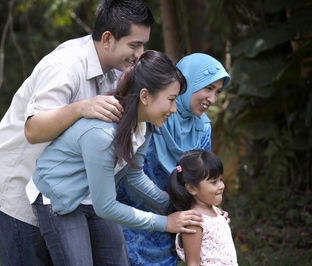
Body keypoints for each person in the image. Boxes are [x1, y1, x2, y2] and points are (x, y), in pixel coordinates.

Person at [0, 0, 155, 265]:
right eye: (135, 45)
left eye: (143, 44)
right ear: (107, 39)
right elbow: (33, 129)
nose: (140, 53)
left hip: (67, 193)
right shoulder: (66, 65)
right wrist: (81, 108)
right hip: (16, 190)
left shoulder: (117, 71)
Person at [28, 50, 203, 266]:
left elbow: (134, 176)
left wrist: (183, 209)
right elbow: (106, 206)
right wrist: (165, 222)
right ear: (145, 96)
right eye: (171, 100)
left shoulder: (143, 125)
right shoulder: (102, 135)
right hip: (60, 198)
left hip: (96, 198)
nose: (175, 109)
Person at [117, 53, 231, 265]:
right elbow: (129, 173)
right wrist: (169, 209)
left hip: (176, 220)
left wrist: (209, 212)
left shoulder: (203, 127)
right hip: (131, 216)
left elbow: (201, 181)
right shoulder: (151, 115)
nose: (212, 99)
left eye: (218, 92)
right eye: (208, 88)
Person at [168, 150, 238, 265]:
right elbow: (193, 263)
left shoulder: (215, 211)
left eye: (221, 179)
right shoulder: (194, 221)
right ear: (192, 188)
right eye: (214, 182)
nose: (221, 186)